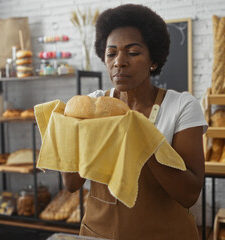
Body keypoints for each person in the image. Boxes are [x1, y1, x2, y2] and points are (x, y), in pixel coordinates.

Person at [62, 4, 208, 239]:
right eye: (111, 54)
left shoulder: (181, 106)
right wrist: (68, 131)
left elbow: (190, 194)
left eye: (132, 53)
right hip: (100, 233)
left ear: (153, 60)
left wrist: (141, 137)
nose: (119, 62)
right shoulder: (92, 106)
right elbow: (71, 183)